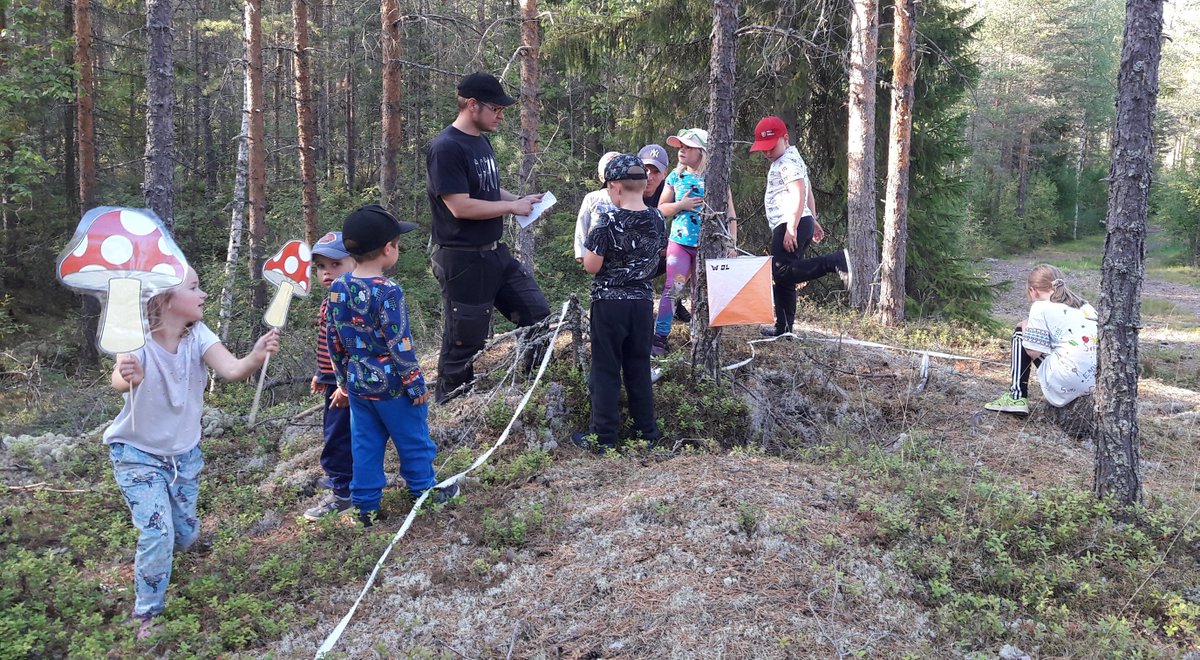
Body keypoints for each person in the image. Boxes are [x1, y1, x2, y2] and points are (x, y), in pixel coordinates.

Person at [106, 268, 280, 639]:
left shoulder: (199, 334)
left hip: (184, 455)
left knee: (183, 534)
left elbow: (232, 369)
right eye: (194, 288)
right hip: (136, 453)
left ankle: (163, 558)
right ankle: (147, 613)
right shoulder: (135, 337)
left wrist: (255, 356)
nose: (203, 294)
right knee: (158, 531)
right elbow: (120, 379)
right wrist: (127, 374)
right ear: (164, 299)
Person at [326, 204, 458, 527]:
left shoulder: (338, 287)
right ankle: (423, 493)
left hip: (358, 384)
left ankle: (366, 507)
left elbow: (334, 339)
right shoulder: (388, 292)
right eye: (397, 244)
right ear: (388, 249)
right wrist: (415, 383)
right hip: (394, 387)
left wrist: (343, 381)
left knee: (365, 446)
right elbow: (400, 341)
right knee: (413, 439)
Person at [426, 71, 550, 403]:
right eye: (495, 108)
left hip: (495, 253)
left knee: (537, 314)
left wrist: (519, 200)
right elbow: (460, 206)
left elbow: (486, 189)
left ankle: (531, 392)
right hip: (462, 258)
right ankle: (452, 407)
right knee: (464, 341)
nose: (500, 115)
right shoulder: (446, 147)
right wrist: (511, 208)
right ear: (472, 105)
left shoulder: (480, 141)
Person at [574, 153, 667, 451]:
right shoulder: (657, 218)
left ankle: (603, 438)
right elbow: (659, 257)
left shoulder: (606, 219)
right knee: (638, 367)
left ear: (615, 186)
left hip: (609, 303)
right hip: (642, 304)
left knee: (605, 369)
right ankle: (646, 433)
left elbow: (591, 265)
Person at [749, 115, 851, 337]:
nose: (767, 153)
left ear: (785, 138)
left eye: (771, 147)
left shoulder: (786, 163)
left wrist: (792, 227)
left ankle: (835, 261)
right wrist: (811, 219)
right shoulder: (793, 158)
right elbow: (808, 190)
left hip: (789, 222)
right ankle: (784, 328)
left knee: (781, 271)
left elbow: (798, 193)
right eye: (763, 149)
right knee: (784, 278)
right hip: (799, 220)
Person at [653, 128, 738, 355]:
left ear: (702, 151)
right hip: (679, 243)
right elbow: (661, 209)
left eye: (688, 147)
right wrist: (681, 205)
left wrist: (731, 243)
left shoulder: (716, 177)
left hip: (707, 245)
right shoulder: (675, 176)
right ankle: (659, 337)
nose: (681, 151)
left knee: (700, 290)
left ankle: (698, 336)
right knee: (675, 286)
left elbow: (730, 213)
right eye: (680, 147)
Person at [985, 264, 1098, 415]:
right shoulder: (1086, 307)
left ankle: (1016, 396)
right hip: (1095, 382)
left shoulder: (1040, 307)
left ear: (1033, 291)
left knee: (1020, 333)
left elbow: (1033, 351)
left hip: (1067, 380)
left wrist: (1024, 326)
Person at [303, 231, 357, 521]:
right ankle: (344, 479)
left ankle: (342, 491)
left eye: (335, 264)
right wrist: (321, 374)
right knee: (335, 432)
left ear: (355, 263)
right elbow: (328, 345)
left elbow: (353, 349)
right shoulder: (330, 300)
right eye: (321, 266)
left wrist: (344, 387)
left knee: (337, 435)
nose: (326, 272)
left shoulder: (350, 302)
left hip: (347, 387)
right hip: (333, 383)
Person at [573, 151, 620, 263]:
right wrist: (580, 252)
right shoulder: (592, 198)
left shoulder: (628, 198)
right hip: (595, 252)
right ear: (601, 177)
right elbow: (582, 224)